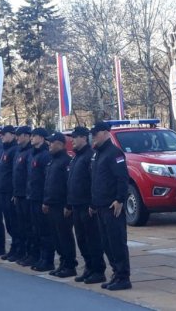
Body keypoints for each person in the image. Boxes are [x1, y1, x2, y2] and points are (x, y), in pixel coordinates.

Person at [90, 121, 132, 291]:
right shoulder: (98, 154)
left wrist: (120, 199)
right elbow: (97, 181)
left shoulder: (114, 153)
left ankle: (123, 277)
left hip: (112, 206)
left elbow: (122, 178)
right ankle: (116, 273)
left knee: (116, 242)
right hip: (100, 205)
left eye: (96, 133)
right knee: (106, 243)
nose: (93, 137)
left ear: (106, 133)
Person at [67, 126, 107, 284]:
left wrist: (92, 203)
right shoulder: (76, 157)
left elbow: (94, 182)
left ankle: (98, 270)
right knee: (82, 240)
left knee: (93, 240)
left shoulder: (90, 156)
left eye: (75, 137)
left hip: (87, 206)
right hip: (76, 205)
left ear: (84, 138)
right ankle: (89, 268)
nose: (72, 141)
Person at [43, 132, 76, 278]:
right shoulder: (52, 161)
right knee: (56, 237)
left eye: (52, 142)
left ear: (60, 144)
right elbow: (48, 184)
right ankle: (62, 263)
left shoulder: (65, 161)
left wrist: (68, 205)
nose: (49, 145)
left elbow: (69, 185)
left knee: (65, 237)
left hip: (62, 206)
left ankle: (69, 265)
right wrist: (46, 201)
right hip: (52, 205)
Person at [28, 127, 53, 272]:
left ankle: (47, 259)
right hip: (33, 197)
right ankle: (40, 258)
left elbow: (46, 180)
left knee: (45, 232)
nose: (32, 138)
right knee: (36, 230)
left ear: (42, 138)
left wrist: (45, 199)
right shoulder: (34, 154)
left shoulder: (45, 155)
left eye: (34, 136)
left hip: (41, 199)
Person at [0, 125, 21, 261]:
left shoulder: (14, 150)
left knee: (15, 223)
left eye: (4, 134)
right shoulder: (3, 151)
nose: (2, 136)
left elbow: (14, 174)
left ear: (12, 135)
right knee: (9, 223)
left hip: (10, 192)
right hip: (3, 191)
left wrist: (13, 191)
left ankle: (18, 248)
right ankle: (14, 248)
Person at [13, 126, 34, 266]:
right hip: (18, 195)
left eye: (19, 135)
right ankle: (25, 252)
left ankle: (32, 254)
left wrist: (26, 193)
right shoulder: (18, 152)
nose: (17, 138)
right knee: (22, 227)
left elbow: (29, 176)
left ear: (27, 136)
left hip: (27, 196)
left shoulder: (30, 153)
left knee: (30, 227)